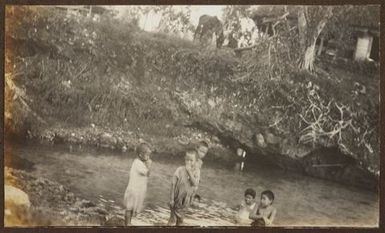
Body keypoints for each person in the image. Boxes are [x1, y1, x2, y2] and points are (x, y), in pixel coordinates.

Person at [168, 149, 200, 226]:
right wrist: (171, 199)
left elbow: (195, 183)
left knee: (181, 220)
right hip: (176, 199)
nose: (188, 162)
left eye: (191, 160)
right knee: (172, 219)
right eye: (187, 160)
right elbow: (173, 184)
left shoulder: (197, 171)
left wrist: (189, 172)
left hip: (186, 201)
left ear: (196, 161)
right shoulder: (179, 170)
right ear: (184, 159)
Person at [123, 143, 152, 226]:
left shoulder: (139, 163)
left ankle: (129, 223)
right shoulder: (138, 163)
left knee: (131, 208)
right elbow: (147, 173)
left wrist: (146, 164)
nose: (149, 157)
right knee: (129, 208)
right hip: (133, 190)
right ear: (141, 155)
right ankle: (127, 223)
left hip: (136, 190)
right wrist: (149, 165)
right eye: (147, 155)